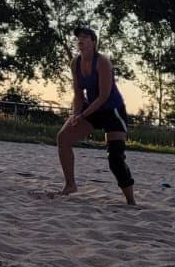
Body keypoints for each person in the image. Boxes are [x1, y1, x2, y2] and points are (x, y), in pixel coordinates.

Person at [56, 25, 137, 204]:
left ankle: (130, 201)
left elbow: (103, 96)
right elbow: (78, 94)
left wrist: (83, 115)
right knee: (63, 138)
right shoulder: (75, 63)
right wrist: (75, 114)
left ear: (93, 42)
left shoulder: (102, 62)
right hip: (90, 109)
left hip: (111, 111)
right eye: (79, 38)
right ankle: (70, 185)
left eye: (85, 37)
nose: (81, 41)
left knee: (115, 158)